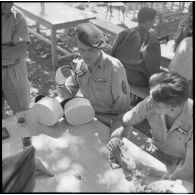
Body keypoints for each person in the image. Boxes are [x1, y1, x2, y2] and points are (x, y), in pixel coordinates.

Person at [107, 72, 193, 180]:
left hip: (181, 167)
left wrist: (143, 168)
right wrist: (115, 140)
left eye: (155, 102)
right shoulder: (153, 101)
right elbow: (120, 120)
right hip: (156, 155)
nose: (149, 102)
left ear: (173, 108)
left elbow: (187, 173)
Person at [55, 23, 131, 124]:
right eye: (82, 49)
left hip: (108, 119)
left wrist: (113, 126)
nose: (85, 55)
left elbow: (122, 107)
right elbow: (68, 97)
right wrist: (60, 84)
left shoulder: (114, 68)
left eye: (90, 50)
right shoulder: (78, 63)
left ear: (99, 48)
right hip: (84, 113)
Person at [111, 7, 161, 87]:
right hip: (136, 79)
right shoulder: (151, 41)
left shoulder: (123, 33)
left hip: (118, 72)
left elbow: (112, 53)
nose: (154, 22)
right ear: (148, 21)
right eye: (153, 20)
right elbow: (154, 67)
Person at [2, 2, 30, 119]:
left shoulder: (18, 17)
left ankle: (26, 137)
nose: (4, 5)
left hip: (14, 71)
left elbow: (20, 51)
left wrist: (14, 51)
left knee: (23, 115)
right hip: (13, 63)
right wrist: (9, 49)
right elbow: (14, 51)